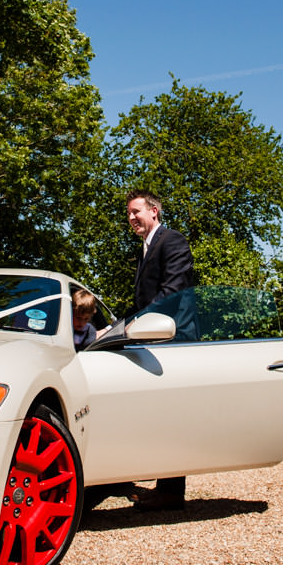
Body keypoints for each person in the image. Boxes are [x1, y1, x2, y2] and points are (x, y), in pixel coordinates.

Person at [125, 189, 195, 511]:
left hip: (174, 340)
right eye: (128, 213)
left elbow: (172, 291)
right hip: (154, 338)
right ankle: (164, 487)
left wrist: (136, 322)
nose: (131, 218)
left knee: (175, 417)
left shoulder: (173, 241)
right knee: (160, 415)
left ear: (154, 211)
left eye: (135, 211)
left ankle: (171, 494)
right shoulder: (144, 248)